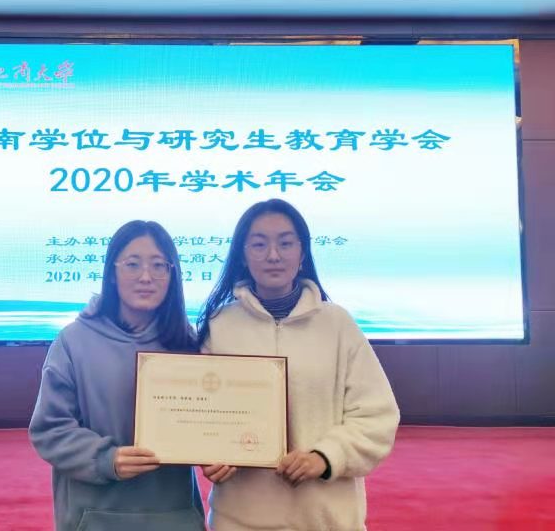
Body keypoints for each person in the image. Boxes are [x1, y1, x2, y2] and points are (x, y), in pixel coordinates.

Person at [197, 199, 400, 531]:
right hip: (241, 520)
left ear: (302, 253)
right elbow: (200, 414)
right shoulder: (218, 327)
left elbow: (377, 416)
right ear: (243, 255)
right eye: (259, 244)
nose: (273, 255)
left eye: (286, 243)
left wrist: (325, 457)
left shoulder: (338, 325)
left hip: (326, 521)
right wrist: (211, 451)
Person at [29, 220, 205, 531]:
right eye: (132, 264)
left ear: (172, 274)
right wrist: (105, 458)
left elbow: (210, 424)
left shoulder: (188, 343)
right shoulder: (74, 341)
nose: (146, 277)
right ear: (112, 272)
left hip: (174, 516)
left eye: (158, 265)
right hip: (94, 517)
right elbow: (50, 429)